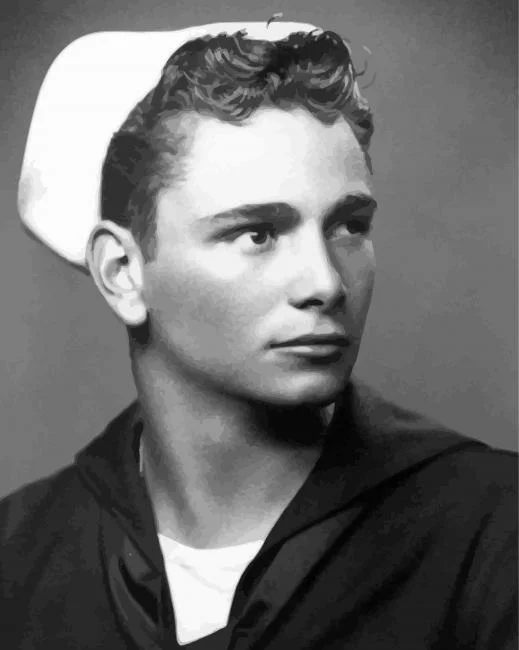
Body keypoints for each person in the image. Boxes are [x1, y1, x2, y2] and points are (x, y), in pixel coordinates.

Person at [1, 19, 516, 650]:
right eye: (258, 233)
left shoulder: (494, 534)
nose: (325, 282)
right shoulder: (18, 557)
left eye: (349, 226)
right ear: (123, 272)